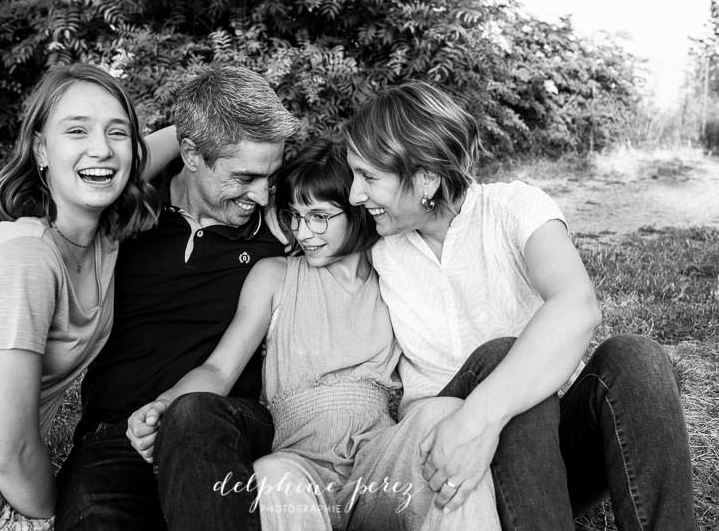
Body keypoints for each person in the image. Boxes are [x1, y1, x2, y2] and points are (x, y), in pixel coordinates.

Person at [344, 80, 696, 530]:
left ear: (426, 178)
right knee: (502, 355)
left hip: (537, 459)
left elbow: (576, 305)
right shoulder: (375, 242)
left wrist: (483, 416)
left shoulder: (513, 208)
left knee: (637, 357)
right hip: (440, 454)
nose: (355, 194)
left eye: (370, 177)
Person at [126, 139, 500, 531]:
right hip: (300, 465)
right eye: (294, 217)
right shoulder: (276, 276)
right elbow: (220, 369)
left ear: (357, 209)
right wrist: (166, 404)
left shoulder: (392, 273)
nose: (305, 233)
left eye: (319, 216)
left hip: (379, 467)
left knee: (444, 416)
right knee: (272, 475)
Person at [55, 65, 300, 530]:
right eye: (244, 176)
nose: (263, 195)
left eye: (270, 176)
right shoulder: (122, 214)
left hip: (221, 423)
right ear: (190, 153)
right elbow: (75, 186)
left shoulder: (282, 227)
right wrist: (188, 125)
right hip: (114, 434)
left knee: (192, 417)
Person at [0, 63, 158, 530]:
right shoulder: (25, 257)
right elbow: (8, 451)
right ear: (41, 150)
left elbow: (155, 148)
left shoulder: (102, 232)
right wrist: (57, 515)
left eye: (118, 132)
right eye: (76, 130)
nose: (101, 149)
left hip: (9, 459)